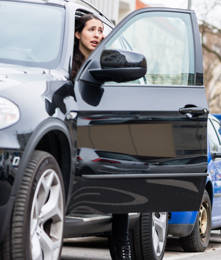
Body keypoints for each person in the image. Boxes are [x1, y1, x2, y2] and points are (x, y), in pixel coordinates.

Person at [73, 14, 132, 260]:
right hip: (74, 133)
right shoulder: (68, 65)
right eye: (91, 30)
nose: (97, 34)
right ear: (78, 34)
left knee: (122, 180)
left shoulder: (107, 64)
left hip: (103, 133)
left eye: (101, 30)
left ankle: (122, 245)